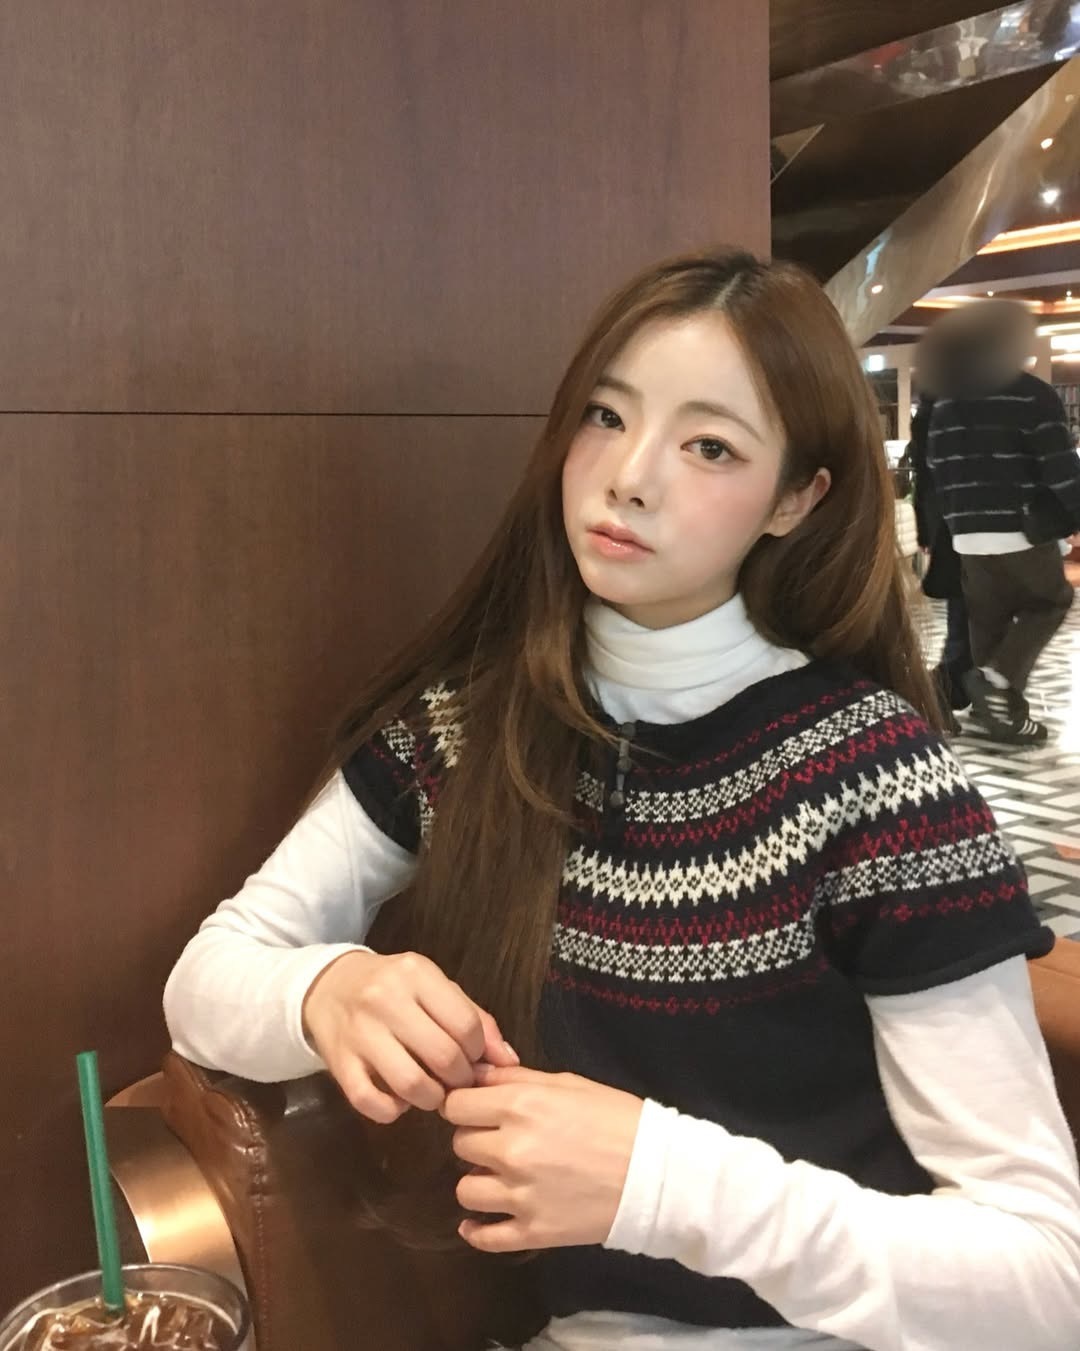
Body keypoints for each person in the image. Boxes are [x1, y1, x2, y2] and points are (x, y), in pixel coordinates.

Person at [164, 250, 1080, 1351]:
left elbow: (1042, 1284)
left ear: (797, 497)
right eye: (607, 416)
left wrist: (663, 1183)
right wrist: (329, 988)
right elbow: (206, 979)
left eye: (710, 446)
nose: (630, 476)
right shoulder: (469, 730)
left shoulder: (877, 781)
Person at [923, 301, 1080, 745]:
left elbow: (936, 468)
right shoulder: (1032, 395)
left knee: (987, 622)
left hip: (967, 536)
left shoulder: (949, 402)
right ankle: (995, 683)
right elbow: (1061, 468)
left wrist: (955, 523)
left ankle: (1001, 717)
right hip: (1021, 527)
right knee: (1050, 601)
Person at [902, 387, 974, 735]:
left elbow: (923, 472)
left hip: (950, 524)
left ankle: (952, 692)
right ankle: (943, 693)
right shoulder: (952, 407)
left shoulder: (934, 409)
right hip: (961, 524)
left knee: (968, 615)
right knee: (967, 616)